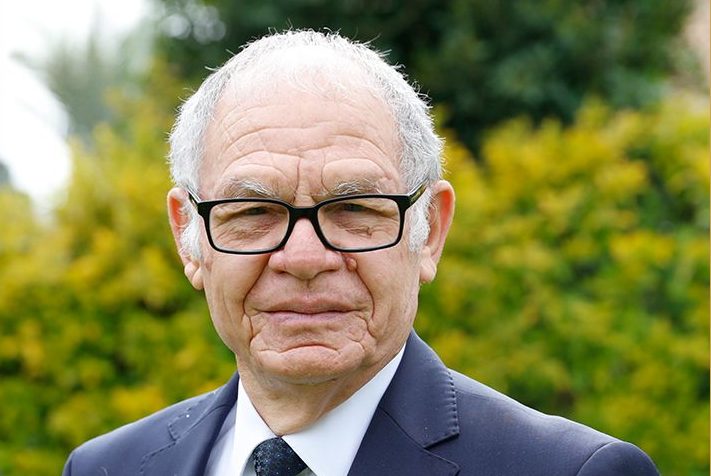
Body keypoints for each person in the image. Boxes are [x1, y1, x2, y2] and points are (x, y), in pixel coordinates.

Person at [62, 30, 659, 476]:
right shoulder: (106, 468)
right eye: (254, 212)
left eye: (352, 209)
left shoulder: (570, 471)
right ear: (187, 236)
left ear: (430, 231)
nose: (303, 258)